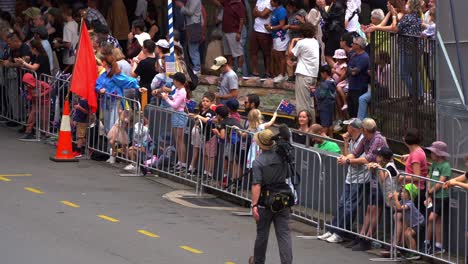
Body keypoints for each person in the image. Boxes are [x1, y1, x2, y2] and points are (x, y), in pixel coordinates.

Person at [318, 118, 368, 244]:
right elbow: (348, 156)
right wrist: (346, 142)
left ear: (353, 128)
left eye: (348, 126)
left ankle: (340, 233)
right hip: (350, 177)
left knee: (348, 206)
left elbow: (356, 162)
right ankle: (333, 229)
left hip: (359, 179)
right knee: (341, 204)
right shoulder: (352, 140)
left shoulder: (363, 141)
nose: (346, 128)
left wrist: (347, 160)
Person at [249, 129, 293, 264]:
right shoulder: (282, 156)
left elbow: (257, 185)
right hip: (283, 199)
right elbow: (287, 175)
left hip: (265, 201)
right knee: (284, 234)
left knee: (262, 234)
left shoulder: (258, 162)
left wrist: (254, 205)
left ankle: (258, 261)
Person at [95, 55, 140, 133]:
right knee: (107, 126)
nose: (101, 62)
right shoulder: (104, 74)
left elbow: (130, 81)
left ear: (106, 63)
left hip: (116, 103)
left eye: (103, 60)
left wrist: (138, 87)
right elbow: (98, 84)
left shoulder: (115, 75)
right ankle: (111, 144)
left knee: (113, 126)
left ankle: (113, 144)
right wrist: (99, 89)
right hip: (106, 103)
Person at [424, 141, 451, 254]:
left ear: (439, 154)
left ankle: (431, 243)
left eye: (433, 152)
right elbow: (429, 177)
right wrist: (429, 193)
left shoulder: (446, 166)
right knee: (436, 220)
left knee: (432, 218)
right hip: (433, 196)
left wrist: (430, 192)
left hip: (441, 197)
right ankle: (433, 244)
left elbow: (440, 182)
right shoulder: (434, 164)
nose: (431, 154)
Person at [288, 23, 319, 120]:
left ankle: (304, 127)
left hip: (304, 76)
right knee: (310, 102)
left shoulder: (302, 43)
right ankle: (312, 124)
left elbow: (290, 54)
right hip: (313, 76)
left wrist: (293, 41)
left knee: (302, 103)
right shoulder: (315, 42)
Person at [162, 72, 189, 172]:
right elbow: (173, 98)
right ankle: (179, 162)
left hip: (180, 115)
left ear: (178, 81)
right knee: (177, 140)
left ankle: (183, 163)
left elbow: (175, 105)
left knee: (180, 139)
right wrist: (167, 96)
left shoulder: (182, 91)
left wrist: (166, 99)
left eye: (174, 80)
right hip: (175, 114)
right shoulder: (177, 89)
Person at [390, 183, 425, 260]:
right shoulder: (403, 201)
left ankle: (414, 252)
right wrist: (391, 200)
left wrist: (395, 198)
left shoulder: (410, 203)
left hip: (419, 223)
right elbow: (394, 207)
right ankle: (409, 251)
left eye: (404, 192)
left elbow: (399, 208)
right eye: (402, 191)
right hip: (412, 224)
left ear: (410, 195)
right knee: (406, 234)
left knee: (408, 234)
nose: (402, 193)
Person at [399, 128, 429, 211]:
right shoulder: (417, 151)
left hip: (414, 190)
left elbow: (417, 177)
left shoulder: (416, 155)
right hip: (413, 189)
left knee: (410, 218)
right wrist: (409, 156)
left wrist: (402, 177)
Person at [189, 92, 217, 177]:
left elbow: (206, 120)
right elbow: (199, 122)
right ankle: (205, 171)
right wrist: (194, 117)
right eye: (203, 100)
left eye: (207, 101)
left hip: (211, 135)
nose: (204, 102)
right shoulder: (202, 111)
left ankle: (209, 173)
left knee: (210, 155)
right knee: (205, 154)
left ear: (211, 103)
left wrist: (198, 116)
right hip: (204, 135)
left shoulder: (210, 112)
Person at [213, 0, 246, 70]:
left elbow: (241, 19)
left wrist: (239, 33)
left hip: (234, 32)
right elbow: (217, 2)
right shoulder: (227, 1)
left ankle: (239, 71)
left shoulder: (239, 4)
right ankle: (230, 70)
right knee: (228, 54)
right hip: (225, 31)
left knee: (239, 53)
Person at [19, 73, 50, 140]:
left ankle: (44, 133)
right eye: (25, 83)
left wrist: (41, 94)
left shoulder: (40, 83)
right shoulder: (29, 86)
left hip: (44, 103)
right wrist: (28, 97)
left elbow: (49, 88)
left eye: (27, 83)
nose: (27, 85)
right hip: (35, 103)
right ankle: (28, 132)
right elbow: (30, 94)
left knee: (44, 119)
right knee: (31, 117)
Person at [265, 0, 289, 83]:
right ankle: (283, 73)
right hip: (275, 36)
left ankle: (282, 75)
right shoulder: (275, 10)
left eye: (271, 1)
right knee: (276, 55)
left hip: (281, 36)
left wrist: (271, 28)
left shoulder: (282, 10)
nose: (270, 2)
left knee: (281, 56)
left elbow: (282, 25)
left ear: (276, 2)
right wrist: (270, 26)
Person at [249, 0, 274, 79]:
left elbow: (264, 14)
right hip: (256, 29)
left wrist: (259, 13)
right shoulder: (258, 0)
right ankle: (255, 72)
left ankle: (267, 73)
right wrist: (261, 14)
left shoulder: (270, 2)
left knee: (266, 53)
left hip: (265, 31)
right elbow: (254, 13)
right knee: (253, 51)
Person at [177, 0, 202, 75]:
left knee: (193, 48)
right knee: (191, 48)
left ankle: (197, 69)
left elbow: (190, 12)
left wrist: (181, 6)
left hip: (193, 25)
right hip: (191, 25)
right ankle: (196, 68)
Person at [347, 36, 369, 118]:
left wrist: (350, 70)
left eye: (354, 43)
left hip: (359, 88)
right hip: (352, 87)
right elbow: (348, 69)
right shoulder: (353, 55)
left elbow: (354, 72)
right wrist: (350, 70)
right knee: (351, 110)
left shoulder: (364, 57)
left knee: (357, 110)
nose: (352, 44)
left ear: (358, 46)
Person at [312, 65, 336, 136]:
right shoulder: (333, 81)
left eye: (322, 74)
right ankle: (332, 140)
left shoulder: (325, 84)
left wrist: (314, 91)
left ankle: (323, 141)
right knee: (330, 124)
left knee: (325, 125)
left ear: (325, 73)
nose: (321, 75)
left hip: (324, 106)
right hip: (330, 105)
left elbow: (320, 96)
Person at [131, 39, 157, 104]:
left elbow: (133, 75)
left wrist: (135, 63)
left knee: (144, 108)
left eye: (143, 47)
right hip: (154, 88)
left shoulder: (143, 63)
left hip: (144, 89)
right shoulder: (157, 61)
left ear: (145, 49)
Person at [321, 0, 346, 66]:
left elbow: (326, 17)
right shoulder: (335, 4)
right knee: (334, 56)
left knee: (328, 55)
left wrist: (322, 7)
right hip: (334, 33)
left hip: (335, 33)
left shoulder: (338, 5)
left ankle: (338, 71)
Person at [56, 6, 78, 72]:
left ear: (64, 14)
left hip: (69, 59)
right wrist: (62, 40)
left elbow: (68, 44)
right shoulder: (75, 23)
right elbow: (73, 38)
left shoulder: (67, 26)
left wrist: (59, 45)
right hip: (75, 57)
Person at [332, 48, 348, 114]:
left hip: (342, 82)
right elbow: (333, 68)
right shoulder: (336, 64)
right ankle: (340, 114)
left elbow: (343, 75)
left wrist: (335, 72)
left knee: (339, 88)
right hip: (335, 81)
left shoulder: (344, 65)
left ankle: (345, 102)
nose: (337, 60)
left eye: (339, 58)